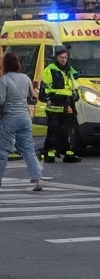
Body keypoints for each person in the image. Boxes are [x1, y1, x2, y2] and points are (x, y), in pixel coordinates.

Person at [0, 51, 44, 192]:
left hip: (9, 118)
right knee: (28, 150)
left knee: (2, 151)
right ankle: (37, 178)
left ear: (4, 64)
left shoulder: (4, 80)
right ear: (18, 63)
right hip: (25, 118)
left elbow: (1, 100)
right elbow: (33, 98)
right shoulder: (26, 78)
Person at [39, 44, 81, 164]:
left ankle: (69, 154)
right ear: (56, 57)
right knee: (54, 131)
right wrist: (51, 98)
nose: (63, 59)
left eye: (65, 57)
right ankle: (49, 154)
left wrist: (75, 94)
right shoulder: (50, 70)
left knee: (68, 132)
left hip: (68, 105)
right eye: (61, 57)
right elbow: (44, 89)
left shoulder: (69, 69)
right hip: (55, 107)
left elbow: (74, 83)